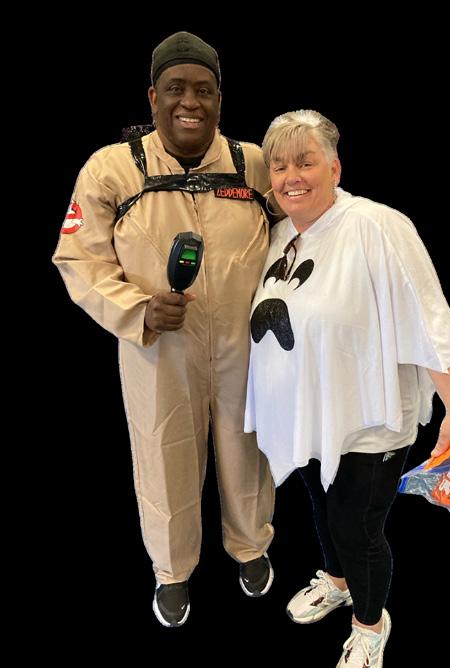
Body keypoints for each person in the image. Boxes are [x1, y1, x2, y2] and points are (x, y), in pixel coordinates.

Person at [53, 31, 276, 628]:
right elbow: (77, 259)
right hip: (157, 347)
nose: (190, 102)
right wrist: (137, 309)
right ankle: (172, 569)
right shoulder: (112, 168)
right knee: (163, 450)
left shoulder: (253, 163)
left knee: (248, 446)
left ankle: (251, 545)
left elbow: (303, 231)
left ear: (220, 99)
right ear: (153, 97)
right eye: (176, 89)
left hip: (247, 345)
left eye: (205, 90)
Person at [244, 110, 450, 667]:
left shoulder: (376, 226)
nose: (291, 177)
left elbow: (431, 319)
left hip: (369, 421)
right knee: (323, 509)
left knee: (357, 527)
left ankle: (370, 623)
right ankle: (337, 581)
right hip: (311, 418)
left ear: (335, 167)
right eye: (279, 166)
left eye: (305, 162)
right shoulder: (279, 235)